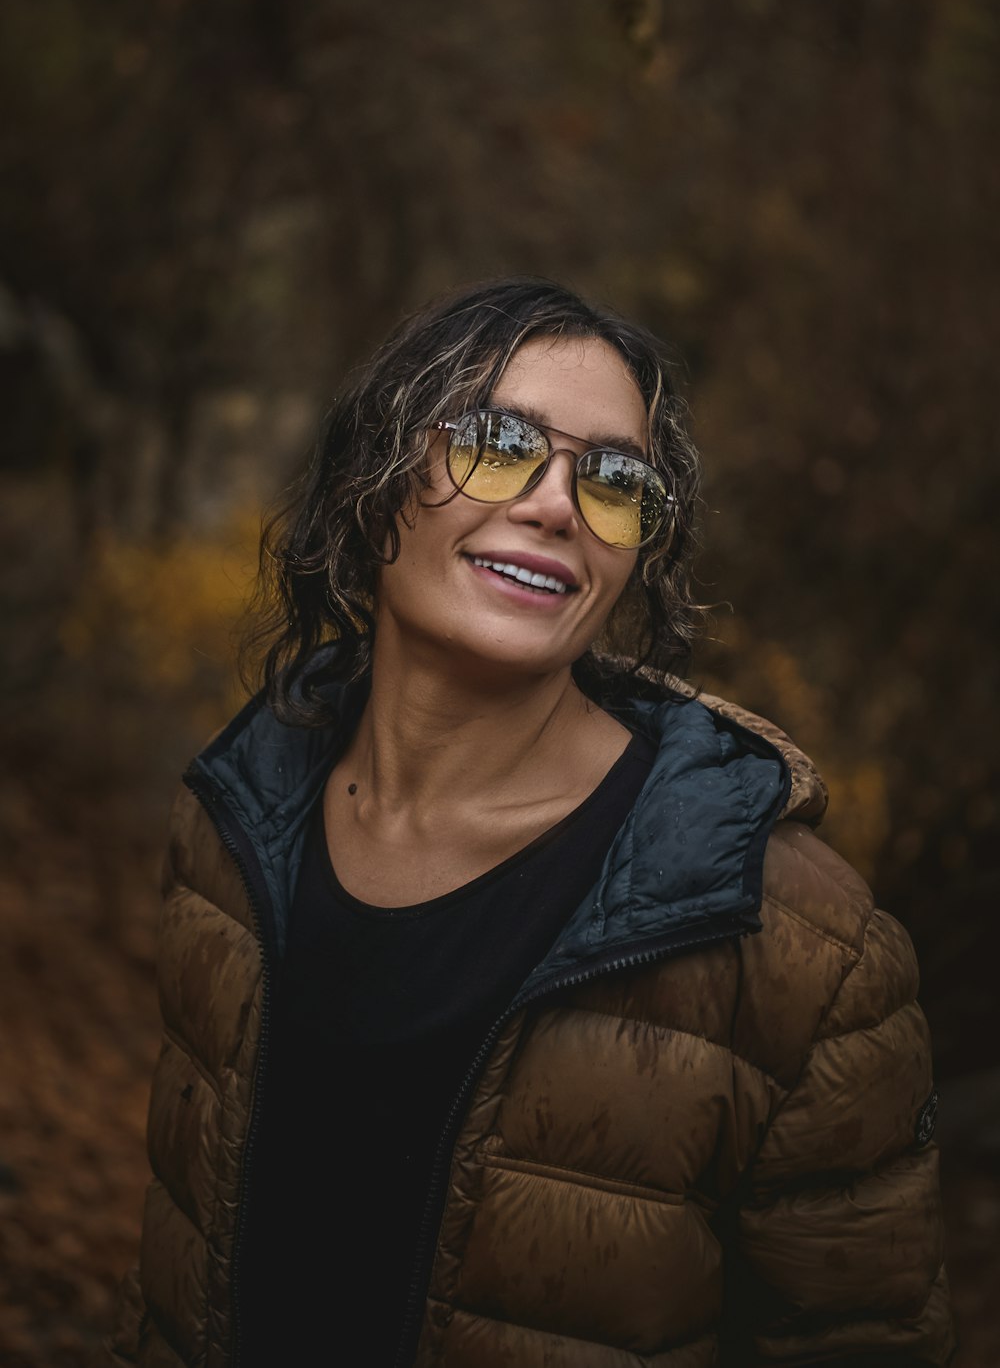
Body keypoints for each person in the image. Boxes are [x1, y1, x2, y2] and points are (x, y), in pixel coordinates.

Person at [106, 278, 955, 1367]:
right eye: (501, 441)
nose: (557, 504)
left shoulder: (802, 947)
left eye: (613, 478)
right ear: (378, 482)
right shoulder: (234, 814)